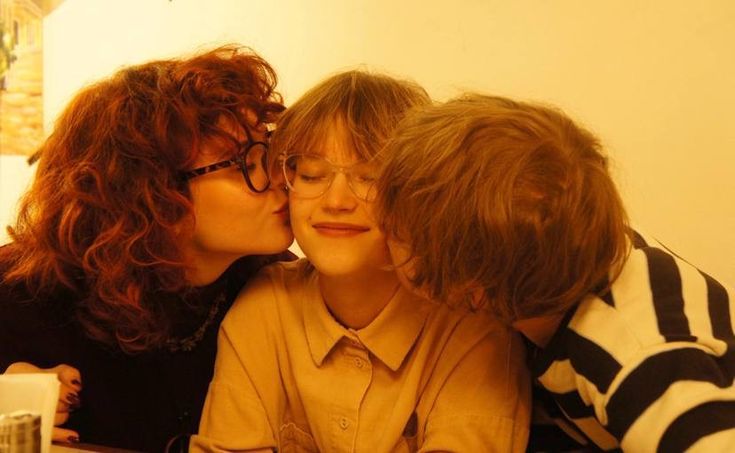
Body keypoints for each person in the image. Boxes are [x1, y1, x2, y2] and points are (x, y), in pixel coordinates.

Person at [191, 72, 531, 452]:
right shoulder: (264, 307)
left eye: (370, 177)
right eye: (311, 174)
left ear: (418, 191)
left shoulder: (471, 326)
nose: (336, 200)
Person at [374, 93, 735, 452]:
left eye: (399, 230)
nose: (380, 224)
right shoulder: (560, 245)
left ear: (474, 285)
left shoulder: (639, 359)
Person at [0, 45, 294, 452]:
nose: (280, 178)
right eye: (245, 162)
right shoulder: (24, 291)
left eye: (270, 150)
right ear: (154, 192)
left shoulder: (276, 287)